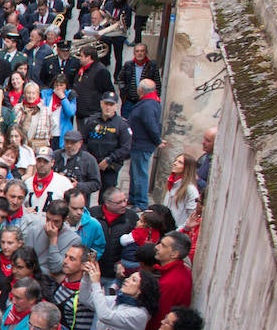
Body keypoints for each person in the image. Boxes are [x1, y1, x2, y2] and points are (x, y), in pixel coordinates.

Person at [144, 231, 192, 330]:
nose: (156, 247)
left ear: (174, 254)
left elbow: (159, 317)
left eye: (163, 245)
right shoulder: (179, 271)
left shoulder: (170, 282)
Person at [84, 92, 133, 196]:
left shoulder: (122, 125)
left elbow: (126, 148)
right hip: (91, 164)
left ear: (116, 106)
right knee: (85, 194)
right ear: (101, 104)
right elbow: (83, 141)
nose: (108, 107)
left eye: (111, 105)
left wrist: (109, 159)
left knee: (107, 197)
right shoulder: (92, 121)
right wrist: (89, 159)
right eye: (106, 104)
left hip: (110, 166)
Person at [125, 79, 163, 210]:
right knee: (134, 172)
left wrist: (158, 140)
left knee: (139, 174)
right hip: (139, 143)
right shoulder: (151, 102)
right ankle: (133, 197)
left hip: (142, 144)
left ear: (140, 90)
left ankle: (140, 203)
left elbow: (150, 124)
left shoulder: (148, 105)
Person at [54, 129, 102, 200]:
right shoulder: (55, 155)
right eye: (67, 142)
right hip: (56, 197)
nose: (69, 145)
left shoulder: (89, 160)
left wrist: (78, 185)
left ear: (80, 143)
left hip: (78, 199)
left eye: (73, 143)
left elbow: (96, 184)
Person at [162, 154, 199, 229]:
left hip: (177, 231)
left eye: (180, 162)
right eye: (175, 160)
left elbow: (192, 215)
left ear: (187, 168)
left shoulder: (191, 189)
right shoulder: (171, 183)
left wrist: (179, 230)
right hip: (165, 228)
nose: (175, 163)